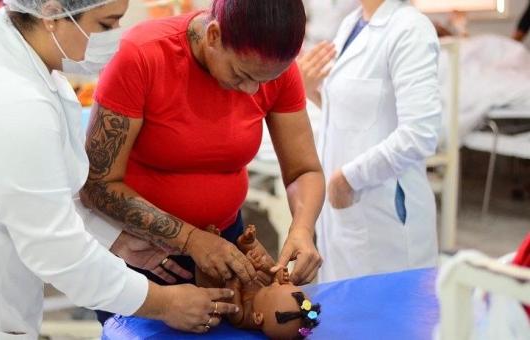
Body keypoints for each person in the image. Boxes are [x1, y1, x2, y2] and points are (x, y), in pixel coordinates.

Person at [0, 0, 240, 338]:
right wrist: (164, 302)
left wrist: (113, 239)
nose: (115, 37)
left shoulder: (20, 52)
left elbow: (46, 189)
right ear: (50, 14)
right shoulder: (9, 98)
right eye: (106, 25)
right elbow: (54, 247)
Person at [81, 0, 325, 323]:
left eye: (262, 82)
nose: (251, 90)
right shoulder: (141, 57)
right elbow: (96, 184)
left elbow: (303, 170)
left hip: (226, 245)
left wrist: (303, 228)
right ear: (213, 36)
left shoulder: (271, 67)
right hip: (142, 254)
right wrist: (189, 239)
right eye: (240, 75)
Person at [300, 0, 441, 282]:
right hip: (346, 216)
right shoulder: (352, 24)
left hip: (385, 216)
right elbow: (351, 114)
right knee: (346, 312)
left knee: (389, 317)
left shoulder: (410, 28)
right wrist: (310, 88)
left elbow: (420, 132)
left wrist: (347, 179)